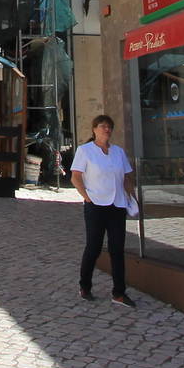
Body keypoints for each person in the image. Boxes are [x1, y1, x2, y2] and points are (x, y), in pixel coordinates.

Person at [71, 114, 137, 307]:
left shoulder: (118, 152)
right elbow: (76, 177)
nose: (106, 129)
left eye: (109, 127)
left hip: (117, 204)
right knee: (94, 247)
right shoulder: (85, 151)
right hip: (96, 205)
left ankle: (119, 292)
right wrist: (87, 197)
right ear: (94, 129)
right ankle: (85, 286)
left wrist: (132, 196)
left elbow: (126, 176)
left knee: (117, 249)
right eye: (102, 126)